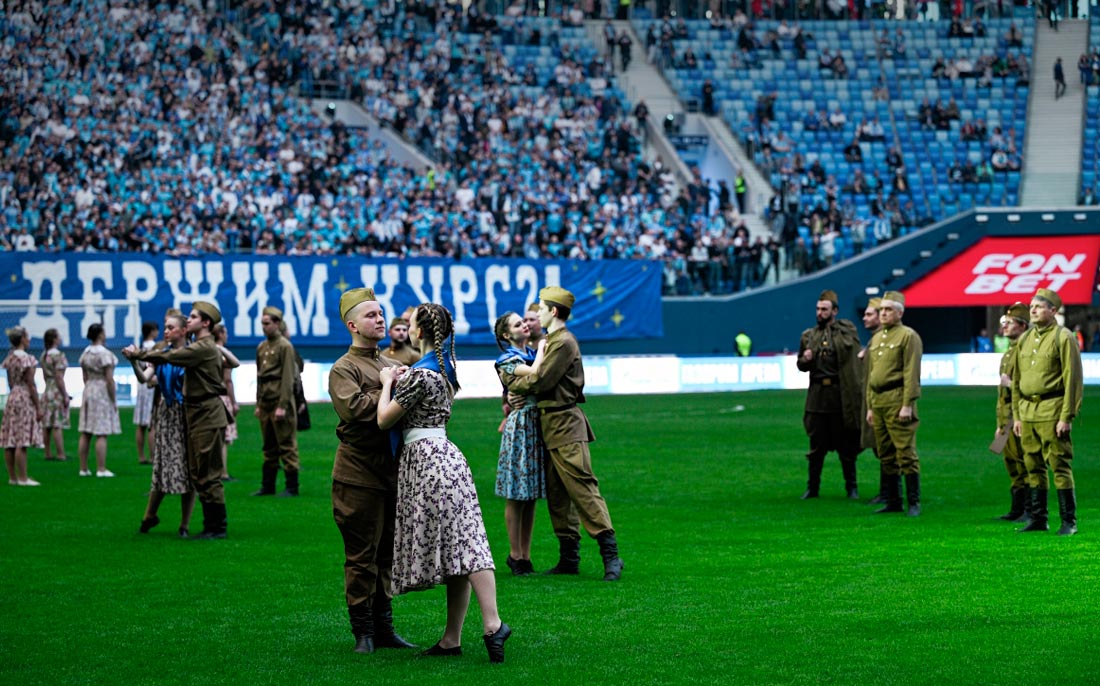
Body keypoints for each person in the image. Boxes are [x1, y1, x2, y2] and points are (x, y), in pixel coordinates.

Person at [378, 302, 511, 662]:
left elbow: (384, 420)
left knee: (464, 547)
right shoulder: (442, 370)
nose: (405, 328)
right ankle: (459, 636)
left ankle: (492, 623)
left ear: (419, 332)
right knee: (461, 545)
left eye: (409, 324)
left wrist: (387, 383)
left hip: (426, 460)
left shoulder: (421, 376)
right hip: (447, 457)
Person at [504, 286, 624, 582]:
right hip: (550, 424)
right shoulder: (552, 341)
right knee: (558, 495)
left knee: (583, 488)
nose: (537, 315)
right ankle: (569, 557)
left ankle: (611, 554)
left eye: (542, 309)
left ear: (553, 312)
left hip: (565, 423)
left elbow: (540, 381)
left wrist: (511, 384)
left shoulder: (562, 342)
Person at [328, 287, 416, 655]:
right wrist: (392, 389)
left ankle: (384, 628)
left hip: (391, 471)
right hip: (358, 473)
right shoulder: (343, 368)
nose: (380, 320)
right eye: (371, 315)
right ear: (352, 324)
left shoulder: (386, 366)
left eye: (381, 314)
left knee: (387, 555)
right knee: (361, 555)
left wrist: (397, 385)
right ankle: (362, 631)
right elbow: (360, 411)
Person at [124, 301, 230, 539]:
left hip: (206, 413)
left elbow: (171, 356)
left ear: (205, 323)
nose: (188, 319)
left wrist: (137, 354)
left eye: (193, 317)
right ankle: (210, 525)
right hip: (197, 413)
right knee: (198, 471)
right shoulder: (202, 346)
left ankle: (217, 527)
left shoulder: (202, 347)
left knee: (208, 473)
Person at [1013, 288, 1083, 535]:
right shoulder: (1025, 338)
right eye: (1032, 306)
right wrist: (1017, 415)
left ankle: (1068, 521)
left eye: (1039, 306)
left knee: (1059, 465)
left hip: (1052, 411)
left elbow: (1072, 379)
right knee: (1032, 466)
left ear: (1053, 311)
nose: (1033, 309)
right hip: (1028, 411)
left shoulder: (1064, 337)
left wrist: (1067, 416)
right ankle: (1038, 519)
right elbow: (1016, 380)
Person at [128, 312, 196, 537]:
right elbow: (144, 378)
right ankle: (150, 516)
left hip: (187, 413)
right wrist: (133, 362)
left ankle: (183, 525)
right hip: (168, 414)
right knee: (163, 466)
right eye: (165, 327)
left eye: (170, 327)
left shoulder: (192, 354)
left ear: (183, 331)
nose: (166, 331)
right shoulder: (161, 354)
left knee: (188, 469)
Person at [492, 311, 548, 576]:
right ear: (506, 335)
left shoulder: (526, 353)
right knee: (517, 494)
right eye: (517, 324)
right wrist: (545, 346)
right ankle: (516, 554)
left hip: (535, 423)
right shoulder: (508, 359)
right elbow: (536, 373)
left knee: (531, 495)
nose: (524, 325)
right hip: (521, 427)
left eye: (524, 322)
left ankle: (525, 555)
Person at [796, 290, 863, 500]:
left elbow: (849, 349)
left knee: (846, 445)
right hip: (817, 395)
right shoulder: (808, 336)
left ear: (834, 311)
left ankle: (851, 487)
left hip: (839, 395)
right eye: (817, 309)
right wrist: (805, 359)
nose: (819, 313)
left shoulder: (845, 331)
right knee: (816, 446)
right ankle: (812, 487)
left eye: (824, 309)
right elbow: (801, 365)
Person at [865, 291, 923, 516]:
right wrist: (870, 406)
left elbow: (911, 372)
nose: (883, 313)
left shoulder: (908, 336)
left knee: (905, 453)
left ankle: (914, 502)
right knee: (885, 453)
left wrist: (908, 403)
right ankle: (893, 501)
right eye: (881, 310)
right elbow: (872, 374)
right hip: (878, 401)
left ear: (900, 312)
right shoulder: (877, 338)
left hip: (897, 399)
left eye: (888, 310)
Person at [253, 306, 300, 497]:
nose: (264, 327)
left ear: (277, 324)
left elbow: (288, 378)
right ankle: (268, 485)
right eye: (262, 323)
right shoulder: (261, 347)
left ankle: (292, 487)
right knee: (268, 445)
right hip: (265, 402)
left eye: (267, 323)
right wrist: (258, 403)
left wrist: (283, 405)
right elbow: (259, 377)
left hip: (280, 403)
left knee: (286, 445)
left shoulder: (285, 346)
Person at [993, 303, 1031, 523]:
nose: (1005, 326)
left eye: (1009, 323)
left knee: (1024, 460)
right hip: (1006, 416)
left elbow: (1031, 383)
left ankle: (1028, 509)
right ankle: (1017, 508)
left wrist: (1010, 384)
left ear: (1022, 326)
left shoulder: (1025, 352)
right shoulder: (1009, 351)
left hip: (1020, 415)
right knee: (1011, 461)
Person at [78, 323, 121, 478]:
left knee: (86, 431)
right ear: (101, 334)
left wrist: (89, 387)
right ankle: (101, 468)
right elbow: (109, 379)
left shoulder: (86, 353)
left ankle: (83, 468)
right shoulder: (105, 354)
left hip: (89, 388)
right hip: (101, 390)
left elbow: (84, 376)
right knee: (101, 432)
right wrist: (113, 398)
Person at [2, 326, 44, 486]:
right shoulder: (28, 359)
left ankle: (13, 477)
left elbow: (10, 382)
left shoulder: (10, 358)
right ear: (22, 339)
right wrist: (38, 406)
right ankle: (23, 477)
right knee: (22, 440)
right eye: (27, 337)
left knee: (10, 438)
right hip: (25, 397)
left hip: (13, 396)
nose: (29, 339)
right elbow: (31, 384)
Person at [858, 299, 887, 505]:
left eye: (869, 315)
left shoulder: (884, 341)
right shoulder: (874, 341)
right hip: (871, 402)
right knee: (880, 448)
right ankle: (887, 492)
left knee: (886, 449)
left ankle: (889, 493)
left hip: (882, 403)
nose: (864, 318)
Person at [212, 323, 240, 482]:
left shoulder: (206, 350)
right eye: (226, 332)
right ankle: (223, 472)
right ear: (221, 334)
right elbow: (228, 380)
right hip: (223, 397)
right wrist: (234, 402)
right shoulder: (224, 353)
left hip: (210, 397)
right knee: (224, 438)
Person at [40, 328, 70, 462]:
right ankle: (60, 453)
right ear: (54, 339)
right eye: (58, 336)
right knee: (57, 424)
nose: (60, 338)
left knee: (47, 424)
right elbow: (59, 377)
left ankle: (47, 453)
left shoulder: (44, 355)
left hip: (47, 389)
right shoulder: (58, 355)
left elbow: (45, 376)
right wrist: (65, 395)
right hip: (56, 390)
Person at [133, 321, 159, 465]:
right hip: (151, 386)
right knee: (152, 424)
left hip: (141, 386)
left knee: (141, 424)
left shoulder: (141, 346)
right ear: (152, 331)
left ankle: (141, 456)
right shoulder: (154, 347)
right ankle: (153, 456)